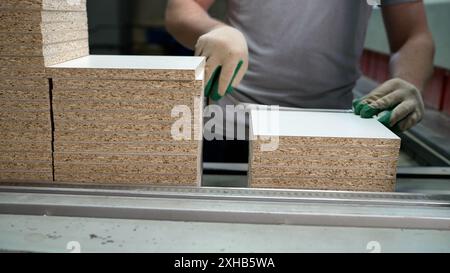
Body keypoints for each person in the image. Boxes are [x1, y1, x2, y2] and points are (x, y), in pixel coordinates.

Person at [165, 0, 434, 132]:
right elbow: (182, 8)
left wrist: (409, 81)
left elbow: (413, 36)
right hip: (233, 122)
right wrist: (217, 30)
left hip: (332, 128)